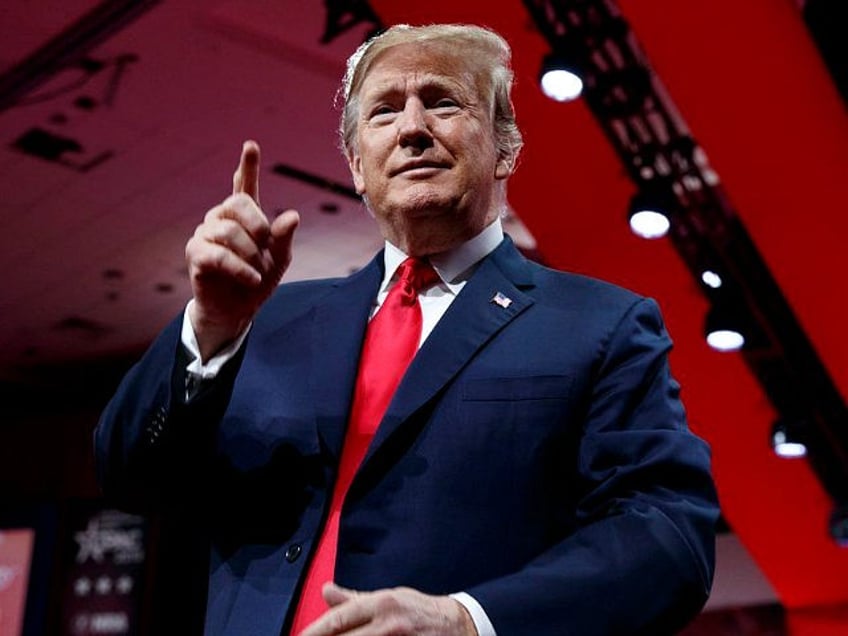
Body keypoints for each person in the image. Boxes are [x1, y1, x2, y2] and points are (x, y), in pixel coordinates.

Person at [95, 23, 719, 636]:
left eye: (442, 101)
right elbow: (128, 476)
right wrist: (209, 327)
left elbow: (667, 538)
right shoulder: (265, 321)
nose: (413, 128)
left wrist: (470, 621)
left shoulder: (601, 324)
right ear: (358, 167)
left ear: (506, 148)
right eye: (384, 111)